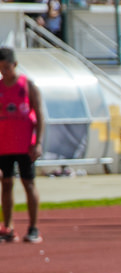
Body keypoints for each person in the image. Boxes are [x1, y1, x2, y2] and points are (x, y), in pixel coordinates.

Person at [0, 47, 44, 245]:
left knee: (29, 183)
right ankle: (7, 227)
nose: (4, 72)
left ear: (15, 65)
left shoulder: (28, 85)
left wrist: (39, 143)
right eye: (1, 69)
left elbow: (40, 115)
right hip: (4, 146)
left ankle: (33, 227)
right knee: (6, 184)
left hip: (26, 145)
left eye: (7, 67)